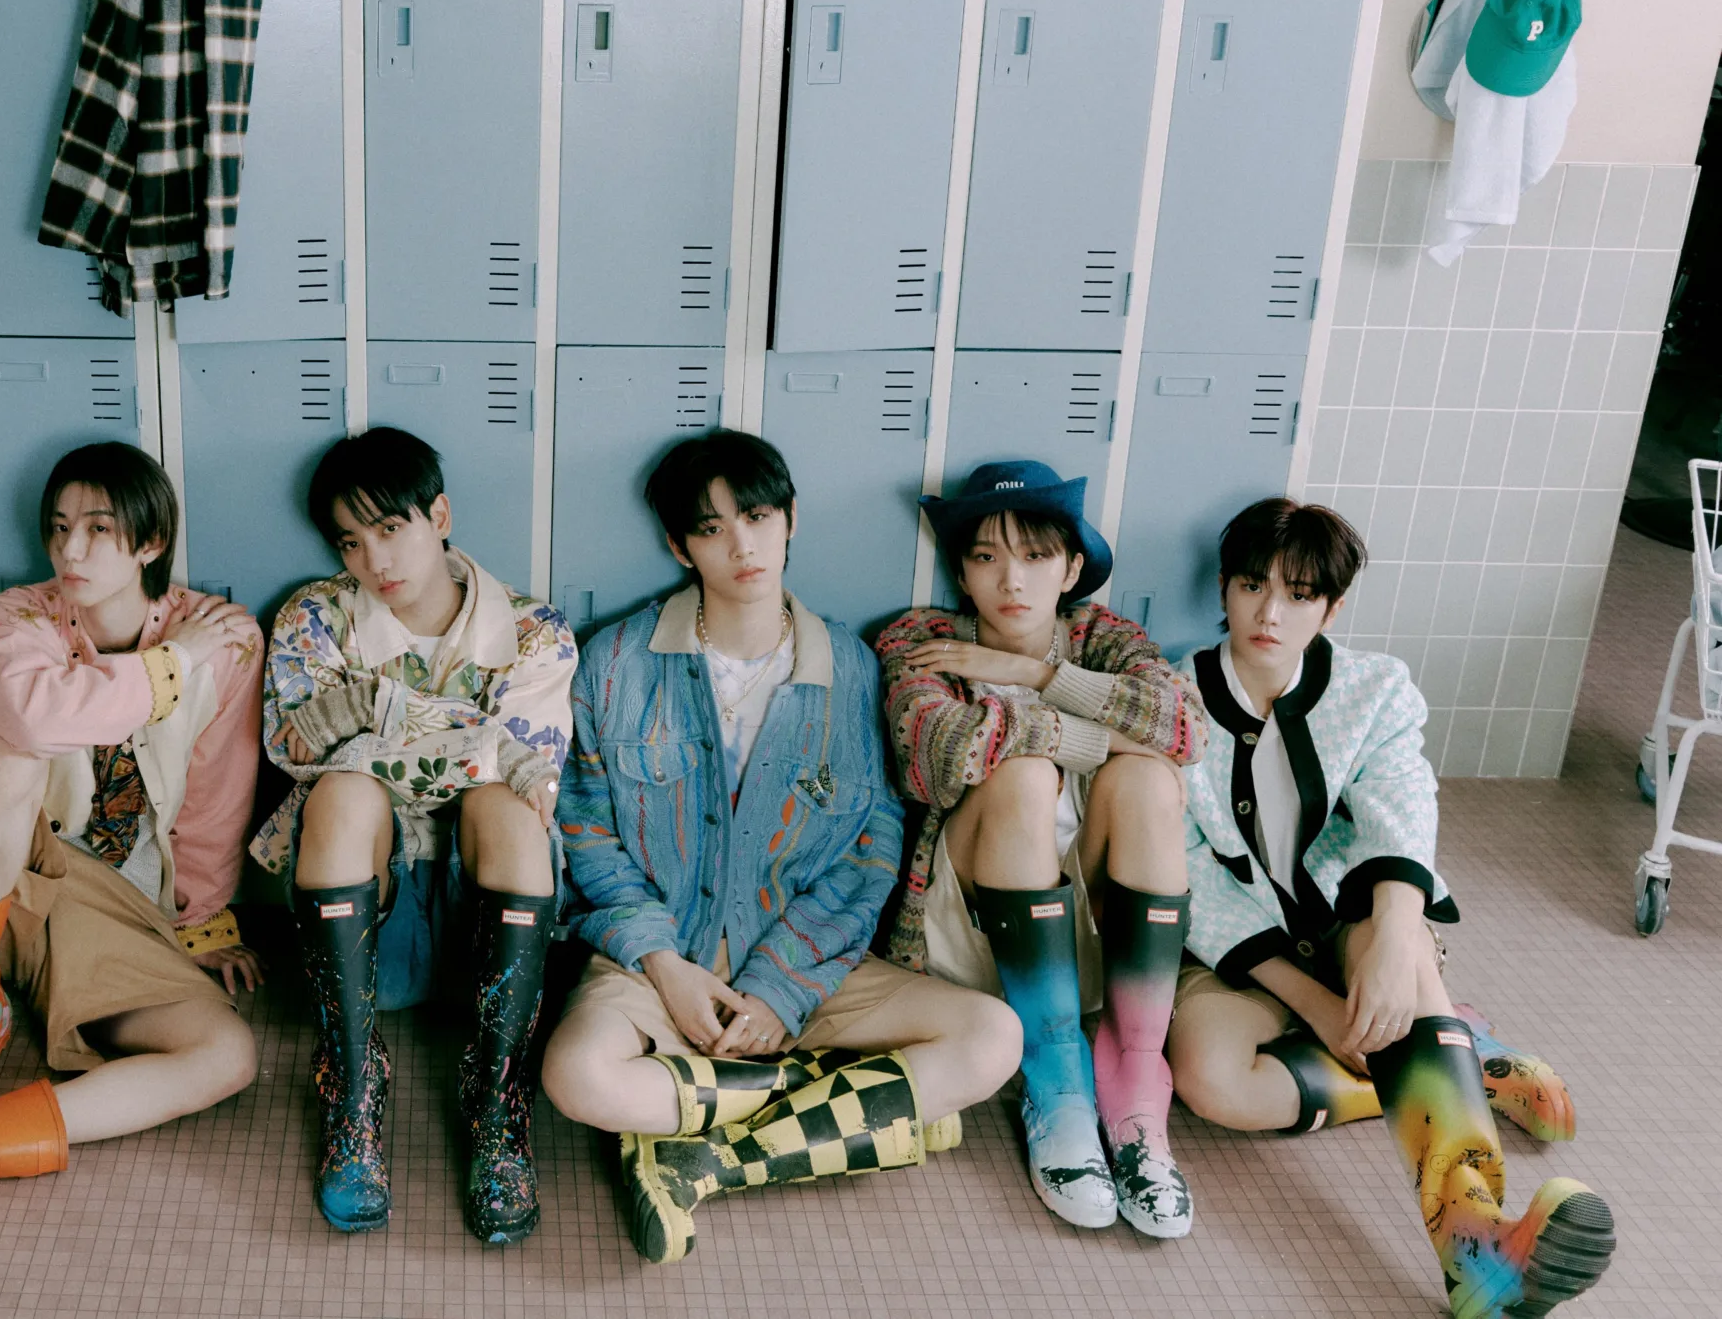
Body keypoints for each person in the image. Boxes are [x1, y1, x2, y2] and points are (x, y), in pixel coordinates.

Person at [543, 430, 1021, 1265]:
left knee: (993, 1035)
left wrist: (778, 990)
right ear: (679, 546)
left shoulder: (850, 669)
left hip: (802, 970)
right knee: (575, 1074)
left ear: (790, 518)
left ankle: (706, 1155)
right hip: (659, 968)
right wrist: (666, 966)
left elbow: (868, 849)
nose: (742, 545)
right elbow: (586, 831)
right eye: (712, 528)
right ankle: (843, 1104)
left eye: (758, 516)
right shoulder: (615, 663)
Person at [1165, 499, 1611, 1319]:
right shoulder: (1173, 698)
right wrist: (1316, 1005)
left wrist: (1398, 931)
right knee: (1210, 1082)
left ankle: (1476, 1245)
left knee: (1398, 959)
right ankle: (1452, 1062)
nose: (1270, 613)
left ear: (1332, 608)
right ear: (1224, 587)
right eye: (1252, 585)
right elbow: (1190, 871)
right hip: (1240, 954)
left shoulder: (1374, 689)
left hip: (1355, 925)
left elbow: (1401, 814)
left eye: (1300, 594)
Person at [0, 442, 264, 1263]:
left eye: (99, 528)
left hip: (105, 907)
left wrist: (204, 917)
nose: (71, 548)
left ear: (150, 541)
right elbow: (34, 719)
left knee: (228, 1053)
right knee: (5, 755)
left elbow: (220, 788)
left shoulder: (225, 635)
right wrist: (174, 663)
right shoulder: (15, 618)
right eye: (59, 526)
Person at [250, 426, 576, 1243]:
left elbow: (529, 776)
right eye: (350, 542)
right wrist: (472, 741)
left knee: (506, 808)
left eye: (391, 528)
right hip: (369, 920)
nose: (375, 561)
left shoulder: (534, 630)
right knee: (344, 793)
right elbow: (296, 751)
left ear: (440, 515)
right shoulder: (315, 617)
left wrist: (374, 716)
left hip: (483, 931)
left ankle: (497, 1100)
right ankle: (353, 1089)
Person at [875, 460, 1203, 1238]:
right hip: (969, 940)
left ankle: (1134, 1093)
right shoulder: (920, 640)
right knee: (1022, 775)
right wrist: (1095, 734)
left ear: (1072, 567)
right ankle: (1056, 1089)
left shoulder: (1104, 638)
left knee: (1148, 779)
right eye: (986, 556)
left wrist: (1034, 674)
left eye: (1035, 555)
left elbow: (1183, 731)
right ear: (962, 570)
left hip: (1092, 944)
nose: (1011, 580)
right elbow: (943, 751)